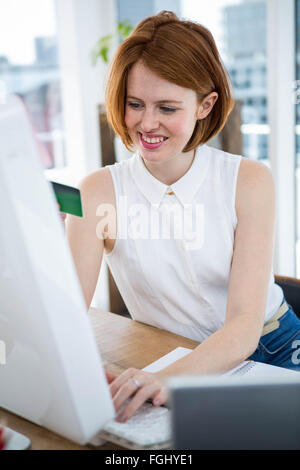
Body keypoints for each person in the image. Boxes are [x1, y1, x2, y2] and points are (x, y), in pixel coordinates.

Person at [64, 10, 300, 423]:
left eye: (167, 108)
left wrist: (165, 379)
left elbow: (243, 327)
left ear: (205, 105)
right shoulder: (98, 192)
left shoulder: (249, 181)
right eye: (134, 104)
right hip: (175, 356)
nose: (146, 123)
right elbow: (64, 315)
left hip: (273, 347)